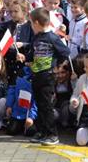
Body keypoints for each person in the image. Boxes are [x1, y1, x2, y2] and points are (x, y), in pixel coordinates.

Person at [18, 8, 73, 146]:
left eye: (31, 23)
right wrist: (24, 57)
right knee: (39, 104)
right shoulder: (37, 37)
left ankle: (52, 134)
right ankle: (42, 131)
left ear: (37, 23)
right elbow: (32, 53)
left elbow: (65, 52)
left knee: (47, 106)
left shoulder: (52, 37)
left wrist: (57, 66)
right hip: (36, 75)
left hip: (47, 77)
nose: (31, 26)